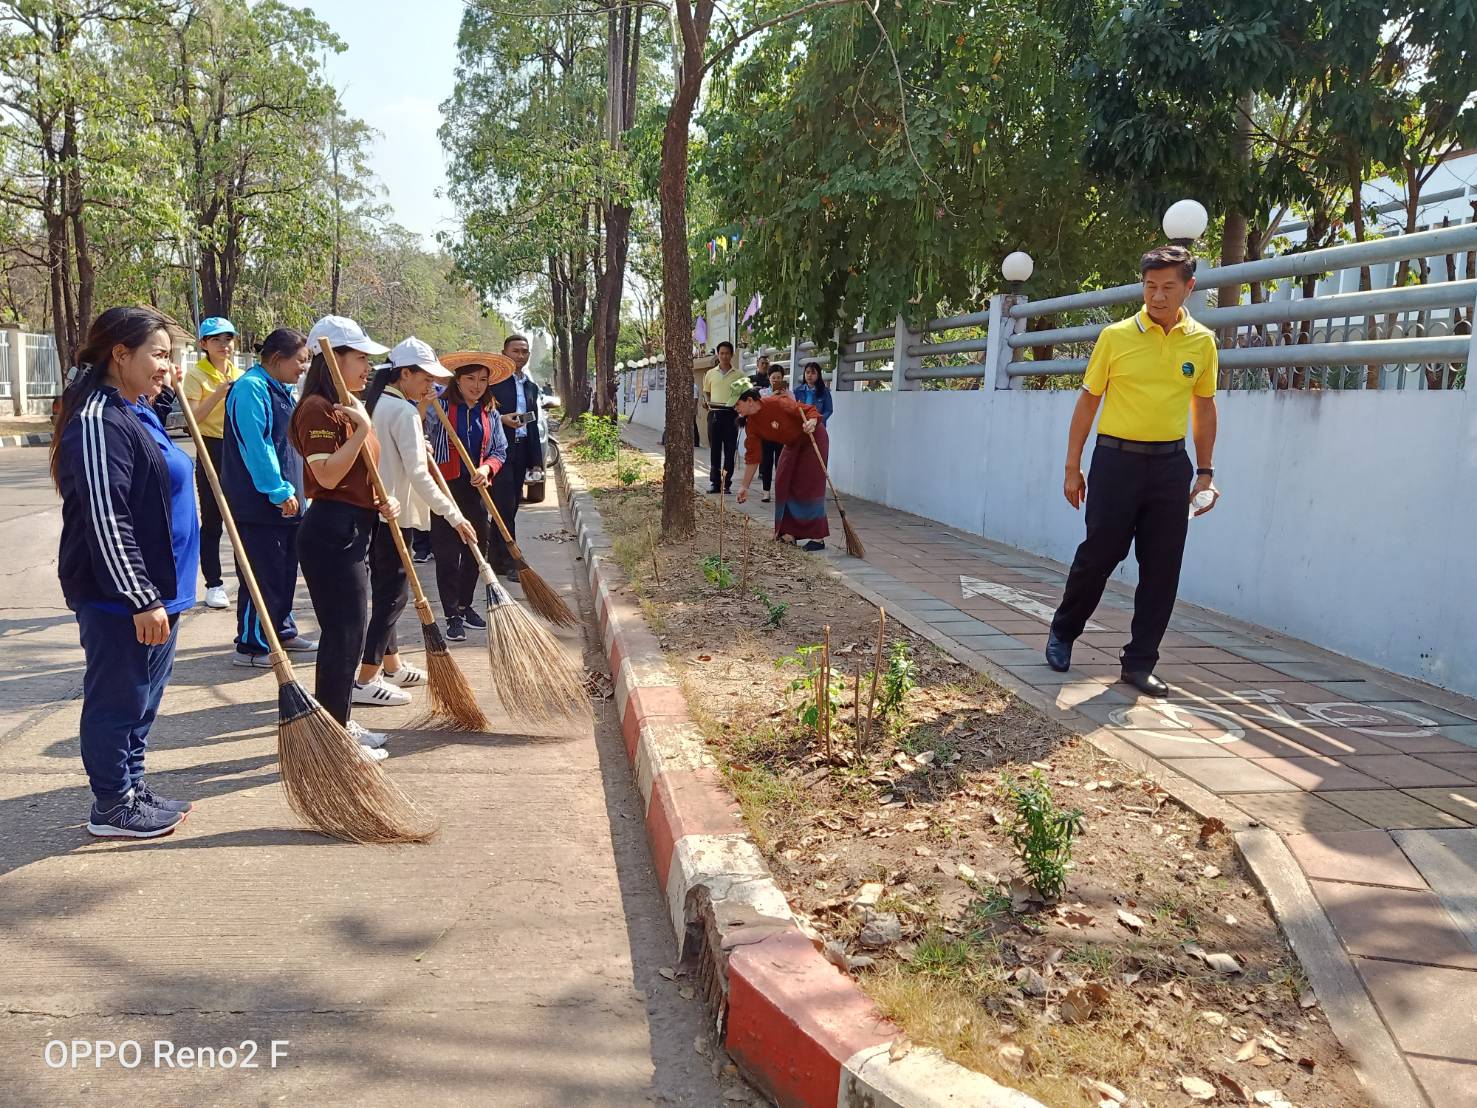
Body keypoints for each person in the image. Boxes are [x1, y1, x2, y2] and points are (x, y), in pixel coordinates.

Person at [1045, 244, 1220, 698]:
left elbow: (1204, 407)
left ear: (1188, 288)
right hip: (1115, 461)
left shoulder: (1201, 342)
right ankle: (1063, 633)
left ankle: (1140, 663)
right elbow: (1088, 403)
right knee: (1100, 554)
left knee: (1162, 567)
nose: (1157, 296)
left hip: (1169, 466)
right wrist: (1072, 467)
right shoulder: (1115, 337)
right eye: (1150, 287)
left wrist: (1205, 471)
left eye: (1167, 287)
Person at [53, 306, 201, 838]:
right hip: (123, 597)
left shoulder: (136, 409)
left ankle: (132, 786)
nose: (167, 366)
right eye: (158, 354)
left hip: (164, 590)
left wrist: (161, 381)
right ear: (119, 354)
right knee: (118, 699)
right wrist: (140, 596)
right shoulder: (97, 419)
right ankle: (112, 804)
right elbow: (105, 515)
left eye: (170, 356)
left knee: (143, 699)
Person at [289, 315, 398, 757]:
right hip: (330, 531)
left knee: (351, 632)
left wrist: (380, 500)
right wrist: (363, 432)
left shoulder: (351, 402)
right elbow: (327, 476)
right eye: (360, 358)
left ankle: (341, 719)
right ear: (332, 359)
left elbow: (358, 475)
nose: (368, 367)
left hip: (356, 525)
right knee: (344, 632)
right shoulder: (317, 407)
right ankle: (334, 731)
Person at [355, 337, 479, 701]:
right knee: (393, 596)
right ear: (404, 374)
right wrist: (454, 515)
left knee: (385, 591)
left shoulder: (375, 404)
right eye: (426, 379)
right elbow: (420, 475)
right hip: (395, 515)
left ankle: (392, 665)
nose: (432, 387)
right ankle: (365, 678)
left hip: (374, 512)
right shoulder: (402, 411)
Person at [221, 328, 317, 668]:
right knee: (262, 573)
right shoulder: (250, 389)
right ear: (277, 359)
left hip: (289, 500)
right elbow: (256, 446)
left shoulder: (283, 390)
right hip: (259, 502)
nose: (303, 368)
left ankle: (281, 629)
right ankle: (251, 644)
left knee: (285, 570)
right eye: (300, 361)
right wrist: (277, 490)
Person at [427, 354, 509, 640]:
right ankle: (451, 615)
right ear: (457, 380)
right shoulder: (439, 407)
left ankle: (465, 605)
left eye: (482, 380)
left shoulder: (490, 413)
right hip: (445, 489)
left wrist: (487, 468)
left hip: (476, 490)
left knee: (476, 548)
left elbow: (500, 450)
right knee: (448, 555)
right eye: (470, 379)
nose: (477, 385)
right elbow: (420, 433)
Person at [183, 316, 243, 610]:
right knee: (213, 520)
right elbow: (193, 419)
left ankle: (244, 575)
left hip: (236, 448)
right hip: (210, 447)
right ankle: (214, 583)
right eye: (216, 340)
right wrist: (219, 393)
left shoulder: (239, 373)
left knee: (240, 518)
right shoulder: (196, 376)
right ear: (204, 344)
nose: (224, 345)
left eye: (228, 339)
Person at [733, 388, 830, 550]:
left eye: (737, 404)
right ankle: (788, 532)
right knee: (782, 480)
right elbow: (753, 457)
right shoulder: (752, 425)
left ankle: (817, 537)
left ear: (750, 400)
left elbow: (808, 410)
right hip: (792, 444)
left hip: (813, 439)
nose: (735, 409)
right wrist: (744, 486)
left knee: (809, 485)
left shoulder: (777, 403)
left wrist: (812, 422)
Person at [487, 335, 541, 580]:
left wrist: (536, 459)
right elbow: (482, 412)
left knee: (511, 505)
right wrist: (501, 418)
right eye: (516, 351)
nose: (520, 355)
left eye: (524, 351)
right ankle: (511, 560)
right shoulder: (493, 383)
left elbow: (532, 420)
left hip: (520, 449)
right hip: (498, 451)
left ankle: (495, 557)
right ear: (504, 353)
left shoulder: (530, 386)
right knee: (504, 505)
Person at [702, 340, 748, 494]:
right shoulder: (710, 373)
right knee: (715, 450)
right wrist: (706, 402)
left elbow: (745, 394)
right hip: (714, 414)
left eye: (727, 353)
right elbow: (706, 392)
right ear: (718, 354)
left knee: (729, 451)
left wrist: (740, 408)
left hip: (731, 415)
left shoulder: (739, 374)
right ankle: (715, 483)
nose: (724, 356)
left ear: (732, 355)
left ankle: (726, 484)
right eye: (721, 353)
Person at [756, 366, 789, 502]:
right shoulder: (763, 393)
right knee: (766, 462)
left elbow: (792, 410)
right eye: (773, 378)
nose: (776, 380)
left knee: (781, 463)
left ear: (783, 378)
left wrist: (784, 397)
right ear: (769, 379)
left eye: (779, 378)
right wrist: (773, 397)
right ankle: (766, 492)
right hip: (767, 433)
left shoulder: (789, 393)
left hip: (782, 433)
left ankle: (781, 492)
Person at [792, 361, 833, 425]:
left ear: (818, 375)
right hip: (801, 425)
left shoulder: (824, 391)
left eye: (813, 373)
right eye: (807, 372)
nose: (809, 375)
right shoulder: (797, 391)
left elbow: (828, 410)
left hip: (818, 425)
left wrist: (818, 420)